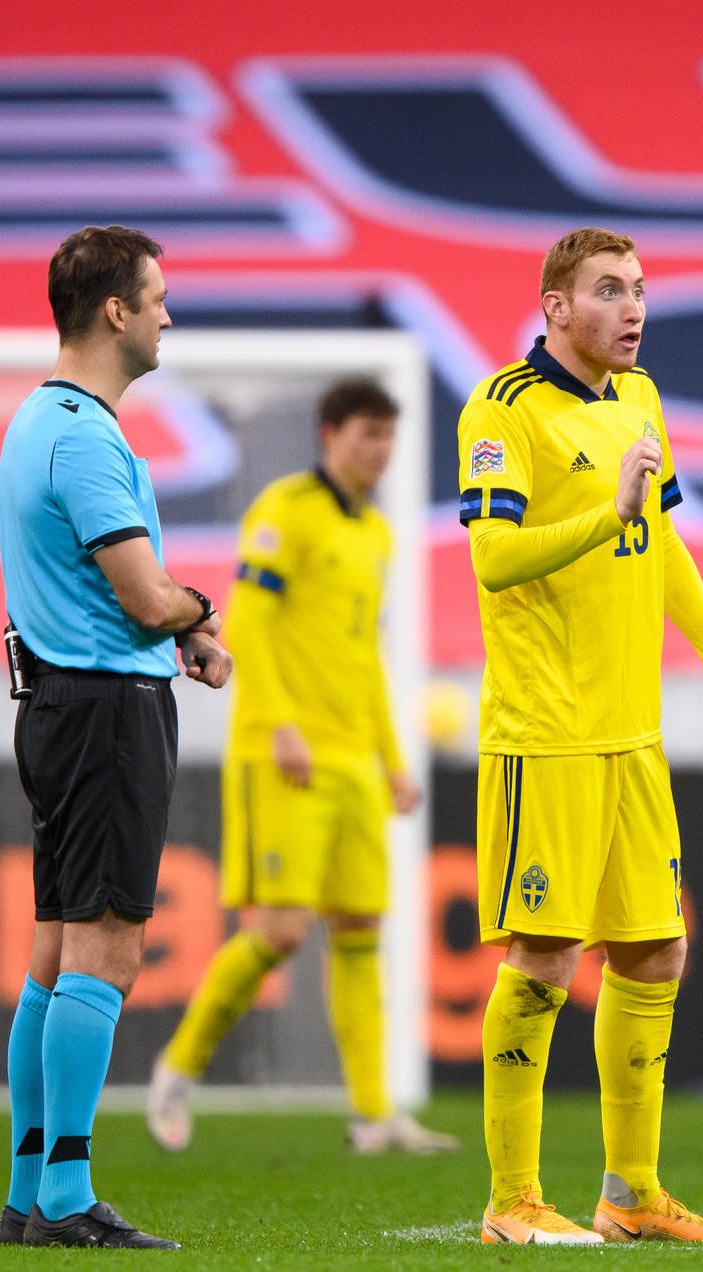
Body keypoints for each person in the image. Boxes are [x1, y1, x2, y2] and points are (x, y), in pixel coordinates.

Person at [458, 227, 703, 1246]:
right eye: (608, 290)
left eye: (638, 288)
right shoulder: (503, 409)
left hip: (631, 731)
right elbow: (496, 557)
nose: (633, 307)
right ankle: (512, 1200)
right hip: (545, 730)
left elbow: (663, 537)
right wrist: (608, 509)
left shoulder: (640, 400)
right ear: (556, 305)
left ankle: (630, 1192)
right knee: (546, 956)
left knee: (653, 951)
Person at [0, 224, 232, 1250]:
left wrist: (175, 618)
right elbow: (141, 595)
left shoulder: (35, 420)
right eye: (158, 295)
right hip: (102, 711)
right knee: (107, 947)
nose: (170, 312)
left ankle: (27, 1188)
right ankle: (63, 1196)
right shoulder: (84, 435)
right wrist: (198, 615)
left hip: (58, 702)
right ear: (116, 312)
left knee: (54, 955)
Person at [146, 379, 457, 1157]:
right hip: (284, 752)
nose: (379, 451)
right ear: (330, 435)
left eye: (388, 437)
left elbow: (364, 657)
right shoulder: (285, 511)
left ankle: (374, 1115)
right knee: (280, 932)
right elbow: (246, 620)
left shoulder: (377, 535)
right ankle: (177, 1069)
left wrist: (392, 758)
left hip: (354, 759)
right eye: (366, 435)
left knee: (360, 931)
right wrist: (282, 722)